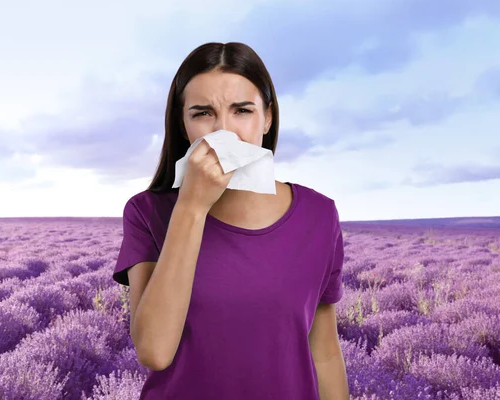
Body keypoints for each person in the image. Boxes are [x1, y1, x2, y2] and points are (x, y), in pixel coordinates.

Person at [112, 42, 349, 399]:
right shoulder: (147, 212)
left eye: (242, 110)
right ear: (183, 123)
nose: (224, 133)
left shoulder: (319, 215)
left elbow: (325, 352)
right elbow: (154, 351)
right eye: (202, 113)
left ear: (267, 118)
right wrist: (191, 208)